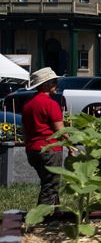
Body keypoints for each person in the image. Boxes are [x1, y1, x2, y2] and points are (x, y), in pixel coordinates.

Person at [21, 67, 64, 206]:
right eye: (54, 81)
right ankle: (41, 219)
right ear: (45, 84)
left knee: (49, 183)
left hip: (33, 150)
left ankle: (56, 214)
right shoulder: (51, 104)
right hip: (50, 149)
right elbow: (60, 130)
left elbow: (25, 131)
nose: (56, 84)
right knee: (50, 186)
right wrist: (72, 147)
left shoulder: (28, 105)